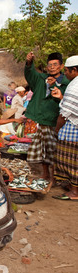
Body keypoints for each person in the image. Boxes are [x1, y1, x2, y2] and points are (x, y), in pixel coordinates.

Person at [24, 51, 70, 182]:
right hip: (41, 120)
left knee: (55, 150)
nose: (52, 67)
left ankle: (55, 175)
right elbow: (30, 74)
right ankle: (45, 174)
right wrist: (29, 63)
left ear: (61, 66)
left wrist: (53, 85)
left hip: (56, 121)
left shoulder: (66, 82)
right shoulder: (41, 78)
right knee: (43, 150)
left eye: (55, 64)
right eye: (49, 65)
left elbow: (64, 100)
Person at [51, 55, 78, 201]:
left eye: (67, 71)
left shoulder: (74, 86)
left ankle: (74, 191)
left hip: (73, 130)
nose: (65, 73)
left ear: (74, 70)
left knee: (71, 160)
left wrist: (57, 128)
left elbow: (65, 113)